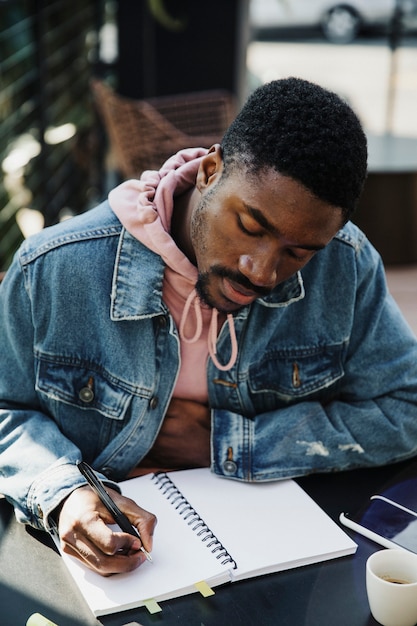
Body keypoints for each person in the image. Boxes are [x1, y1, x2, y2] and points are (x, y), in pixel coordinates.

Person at [1, 77, 417, 576]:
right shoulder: (53, 267)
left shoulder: (346, 266)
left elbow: (405, 407)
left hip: (280, 555)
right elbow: (6, 407)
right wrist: (64, 493)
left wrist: (231, 443)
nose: (261, 271)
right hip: (104, 570)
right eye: (250, 226)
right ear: (209, 171)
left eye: (298, 252)